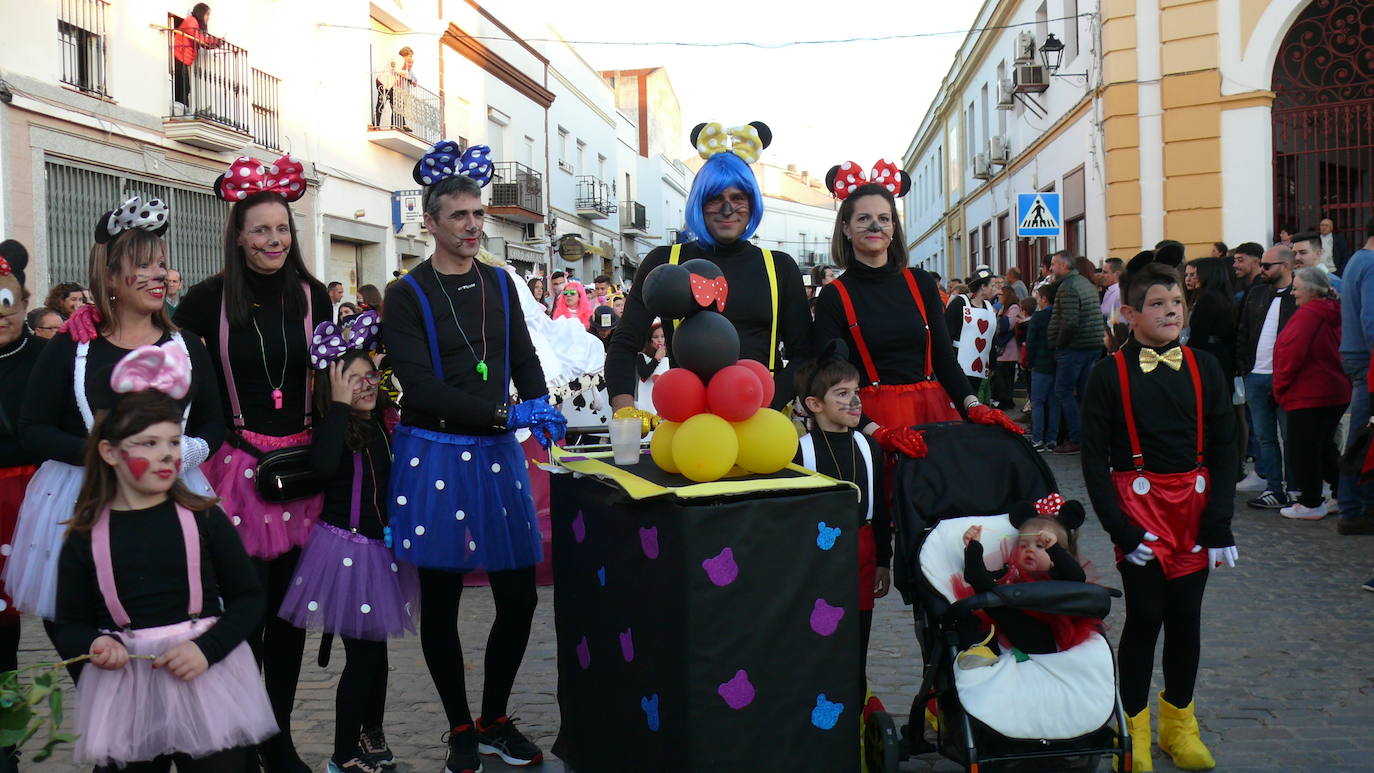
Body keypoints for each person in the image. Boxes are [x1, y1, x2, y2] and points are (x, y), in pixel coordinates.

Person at [383, 140, 566, 772]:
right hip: (433, 452)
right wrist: (502, 414)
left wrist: (540, 406)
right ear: (429, 221)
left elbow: (520, 354)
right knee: (442, 599)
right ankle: (459, 724)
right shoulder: (406, 294)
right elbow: (421, 386)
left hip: (496, 454)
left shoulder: (498, 281)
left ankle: (494, 717)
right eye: (458, 216)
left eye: (478, 214)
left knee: (518, 599)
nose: (472, 226)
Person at [8, 197, 223, 662]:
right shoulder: (73, 344)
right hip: (82, 499)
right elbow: (34, 428)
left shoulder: (186, 345)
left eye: (162, 263)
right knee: (92, 637)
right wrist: (105, 455)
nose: (159, 275)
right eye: (141, 264)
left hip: (172, 497)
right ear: (108, 276)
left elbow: (213, 421)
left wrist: (182, 453)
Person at [174, 155, 331, 773]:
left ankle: (278, 735)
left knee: (292, 617)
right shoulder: (207, 300)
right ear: (238, 235)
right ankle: (245, 729)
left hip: (304, 471)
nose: (274, 241)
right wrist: (91, 322)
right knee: (248, 613)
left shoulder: (313, 297)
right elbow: (158, 350)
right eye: (261, 230)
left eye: (283, 229)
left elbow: (335, 378)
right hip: (237, 473)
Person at [54, 357, 275, 771]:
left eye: (174, 442)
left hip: (205, 678)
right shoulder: (85, 536)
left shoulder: (204, 518)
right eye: (149, 444)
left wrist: (207, 649)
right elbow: (69, 623)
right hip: (127, 692)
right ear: (110, 452)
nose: (166, 456)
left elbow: (249, 599)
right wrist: (93, 645)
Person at [1080, 259, 1237, 773]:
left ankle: (1179, 726)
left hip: (1192, 507)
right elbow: (1093, 460)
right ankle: (1135, 732)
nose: (1171, 312)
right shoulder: (1108, 375)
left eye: (1177, 303)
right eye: (1157, 305)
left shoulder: (1204, 367)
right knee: (1145, 618)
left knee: (1185, 621)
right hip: (1139, 508)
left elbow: (1225, 445)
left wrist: (1218, 520)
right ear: (1128, 313)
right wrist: (1119, 527)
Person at [279, 334, 418, 773]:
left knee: (376, 658)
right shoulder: (334, 428)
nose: (364, 385)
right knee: (364, 658)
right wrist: (338, 408)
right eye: (351, 380)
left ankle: (369, 733)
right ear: (332, 388)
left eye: (369, 376)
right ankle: (343, 754)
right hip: (346, 552)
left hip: (382, 550)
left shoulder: (382, 423)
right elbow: (320, 469)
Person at [607, 122, 811, 418]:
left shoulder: (779, 267)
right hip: (688, 423)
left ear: (752, 203)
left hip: (762, 422)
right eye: (715, 198)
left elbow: (804, 355)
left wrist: (763, 403)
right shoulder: (664, 261)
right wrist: (624, 410)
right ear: (699, 204)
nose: (728, 209)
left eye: (738, 197)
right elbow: (625, 341)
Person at [812, 163, 1002, 449]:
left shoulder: (921, 282)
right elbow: (829, 378)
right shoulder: (834, 295)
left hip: (932, 413)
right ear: (846, 229)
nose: (875, 226)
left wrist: (973, 404)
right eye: (863, 218)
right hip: (869, 423)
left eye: (884, 218)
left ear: (894, 227)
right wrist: (876, 432)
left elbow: (943, 356)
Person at [792, 345, 888, 667]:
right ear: (814, 404)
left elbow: (882, 509)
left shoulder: (870, 447)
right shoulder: (799, 454)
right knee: (818, 644)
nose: (855, 401)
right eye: (843, 393)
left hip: (861, 554)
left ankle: (857, 704)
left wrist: (884, 562)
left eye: (856, 391)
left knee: (857, 644)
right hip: (815, 562)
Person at [954, 505, 1091, 669]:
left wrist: (1054, 549)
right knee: (980, 603)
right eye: (1024, 545)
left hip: (1044, 635)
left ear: (1056, 556)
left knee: (999, 599)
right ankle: (982, 649)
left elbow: (1078, 578)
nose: (1030, 550)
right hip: (1008, 625)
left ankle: (978, 578)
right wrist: (973, 547)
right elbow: (987, 581)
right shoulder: (1011, 573)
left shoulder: (1059, 574)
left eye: (1041, 546)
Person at [0, 240, 42, 767]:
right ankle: (5, 744)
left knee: (68, 616)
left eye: (4, 305)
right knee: (1, 636)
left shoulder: (48, 357)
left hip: (39, 503)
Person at [1272, 267, 1347, 521]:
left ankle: (1311, 502)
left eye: (1297, 287)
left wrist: (1280, 386)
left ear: (1312, 290)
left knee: (1302, 450)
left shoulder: (1309, 315)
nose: (1293, 293)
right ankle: (1341, 493)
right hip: (1335, 389)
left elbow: (1290, 353)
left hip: (1309, 392)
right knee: (1324, 448)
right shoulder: (1335, 310)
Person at [1234, 245, 1297, 510]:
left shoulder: (1298, 295)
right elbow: (1243, 330)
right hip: (1256, 375)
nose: (1262, 270)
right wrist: (1245, 367)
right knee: (1264, 437)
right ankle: (1274, 487)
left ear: (1284, 266)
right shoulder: (1257, 293)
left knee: (1290, 435)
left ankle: (1295, 488)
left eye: (1267, 266)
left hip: (1285, 378)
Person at [1335, 216, 1374, 536]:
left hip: (1355, 354)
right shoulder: (1372, 263)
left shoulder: (1357, 260)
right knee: (1362, 436)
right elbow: (1372, 319)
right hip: (1366, 357)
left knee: (1363, 434)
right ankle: (1353, 509)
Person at [1047, 250, 1105, 454]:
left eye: (1054, 264)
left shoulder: (1069, 286)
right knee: (1082, 394)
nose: (1051, 269)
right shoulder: (1084, 283)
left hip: (1075, 348)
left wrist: (1059, 344)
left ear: (1064, 266)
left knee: (1063, 391)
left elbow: (1070, 322)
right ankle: (1087, 436)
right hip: (1090, 346)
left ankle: (1077, 438)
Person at [945, 268, 998, 400]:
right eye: (992, 285)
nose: (995, 289)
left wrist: (992, 363)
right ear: (983, 286)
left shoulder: (989, 307)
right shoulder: (959, 303)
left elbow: (991, 338)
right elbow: (946, 334)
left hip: (979, 368)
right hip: (959, 363)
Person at [1025, 283, 1058, 451]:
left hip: (1040, 364)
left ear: (1044, 299)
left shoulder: (1038, 318)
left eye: (1038, 298)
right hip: (1057, 364)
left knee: (1038, 402)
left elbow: (1031, 342)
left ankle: (1037, 438)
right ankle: (1052, 440)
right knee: (1054, 403)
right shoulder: (1059, 316)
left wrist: (1029, 362)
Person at [172, 4, 218, 113]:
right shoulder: (191, 21)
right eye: (207, 14)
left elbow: (202, 42)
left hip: (184, 57)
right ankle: (180, 109)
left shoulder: (194, 23)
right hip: (180, 55)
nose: (208, 17)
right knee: (183, 85)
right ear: (201, 13)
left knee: (185, 86)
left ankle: (182, 109)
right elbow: (199, 38)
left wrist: (216, 43)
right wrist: (215, 41)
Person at [990, 285, 1024, 411]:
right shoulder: (1005, 308)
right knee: (1003, 376)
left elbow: (1006, 326)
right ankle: (1006, 399)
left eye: (1000, 295)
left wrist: (998, 315)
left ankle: (1006, 400)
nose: (998, 298)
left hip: (1009, 349)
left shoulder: (1013, 308)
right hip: (1004, 349)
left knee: (1005, 377)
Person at [375, 46, 416, 128]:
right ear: (405, 54)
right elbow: (396, 70)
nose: (410, 58)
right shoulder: (399, 58)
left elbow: (405, 73)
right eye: (410, 56)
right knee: (381, 104)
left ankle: (394, 125)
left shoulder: (404, 63)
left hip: (389, 86)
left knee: (395, 105)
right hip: (383, 83)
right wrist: (408, 77)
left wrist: (410, 79)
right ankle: (377, 125)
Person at [635, 321, 668, 414]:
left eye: (662, 336)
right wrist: (656, 359)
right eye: (656, 337)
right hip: (648, 401)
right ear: (650, 340)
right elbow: (644, 374)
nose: (660, 340)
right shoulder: (642, 356)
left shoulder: (672, 356)